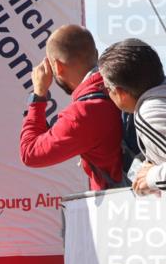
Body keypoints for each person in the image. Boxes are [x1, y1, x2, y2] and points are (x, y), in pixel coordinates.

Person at [20, 24, 124, 190]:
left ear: (58, 67)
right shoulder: (124, 84)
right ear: (96, 55)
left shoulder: (82, 113)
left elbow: (30, 153)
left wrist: (38, 95)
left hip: (122, 201)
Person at [98, 38, 166, 196]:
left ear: (120, 92)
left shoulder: (149, 114)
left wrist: (151, 177)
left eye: (106, 88)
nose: (107, 93)